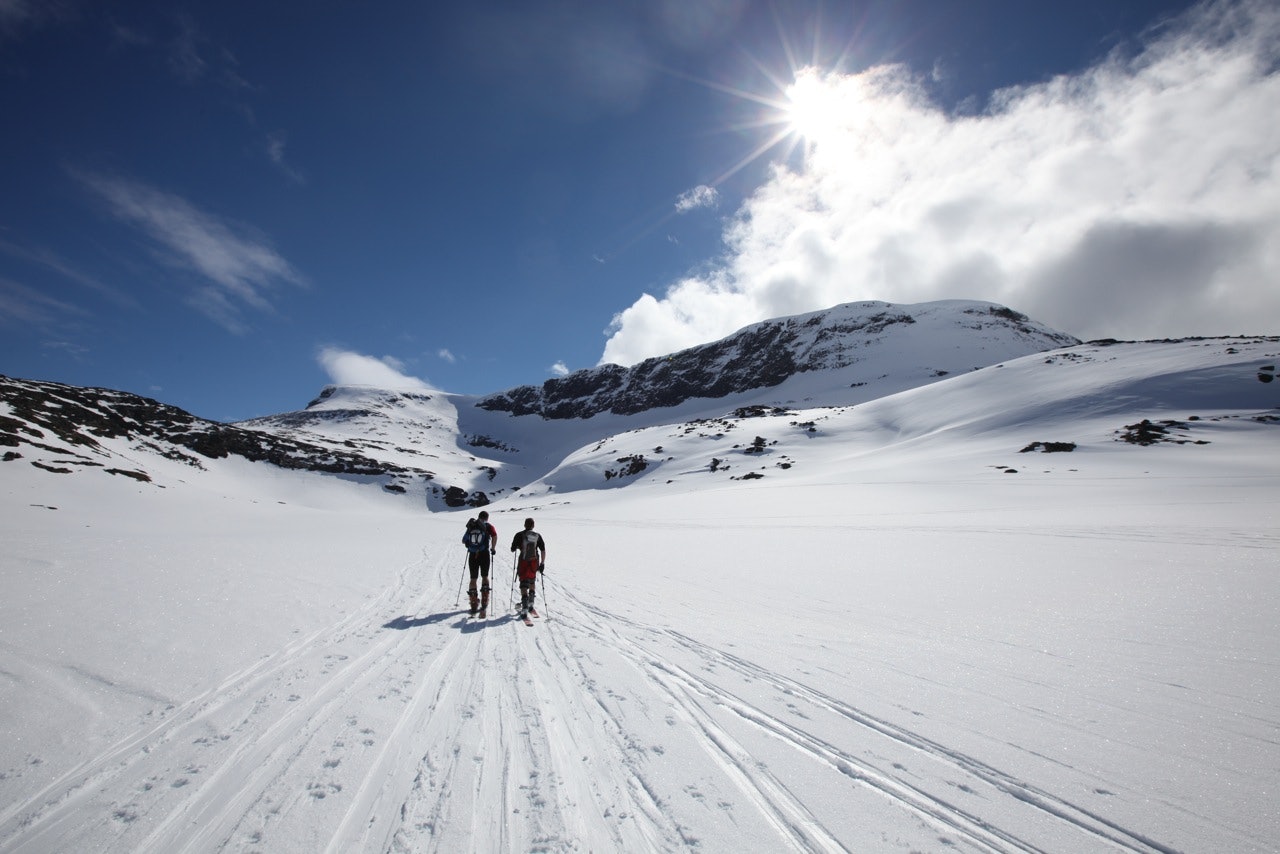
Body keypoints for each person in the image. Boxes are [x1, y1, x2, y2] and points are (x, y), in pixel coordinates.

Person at [461, 511, 498, 617]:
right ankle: (484, 600)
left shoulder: (472, 526)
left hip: (473, 554)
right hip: (484, 553)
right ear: (487, 517)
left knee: (473, 578)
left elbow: (464, 540)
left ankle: (473, 602)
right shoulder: (488, 526)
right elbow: (495, 536)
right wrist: (493, 548)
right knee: (485, 576)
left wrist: (469, 544)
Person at [509, 517, 545, 618]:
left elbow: (512, 549)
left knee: (523, 582)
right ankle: (531, 602)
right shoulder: (537, 536)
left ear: (524, 525)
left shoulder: (519, 535)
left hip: (523, 561)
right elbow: (543, 550)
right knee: (532, 581)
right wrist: (542, 563)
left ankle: (524, 605)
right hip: (534, 561)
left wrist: (516, 547)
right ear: (533, 525)